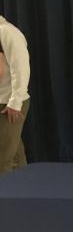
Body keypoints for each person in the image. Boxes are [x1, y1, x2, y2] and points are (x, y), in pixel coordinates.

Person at [0, 15, 30, 175]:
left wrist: (15, 102)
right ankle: (25, 193)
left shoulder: (8, 33)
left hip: (9, 104)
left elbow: (21, 69)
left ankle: (4, 197)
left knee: (2, 158)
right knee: (15, 155)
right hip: (2, 101)